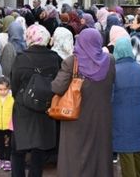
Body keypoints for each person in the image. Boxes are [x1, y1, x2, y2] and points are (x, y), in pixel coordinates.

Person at [52, 28, 115, 176]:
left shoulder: (71, 62)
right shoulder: (110, 61)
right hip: (101, 118)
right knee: (99, 154)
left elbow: (57, 87)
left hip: (76, 117)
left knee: (75, 155)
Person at [10, 24, 60, 177]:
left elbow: (14, 84)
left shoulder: (21, 58)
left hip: (23, 108)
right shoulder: (54, 57)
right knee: (39, 149)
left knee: (18, 150)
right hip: (45, 107)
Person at [112, 36, 140, 177]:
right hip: (139, 115)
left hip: (120, 117)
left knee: (126, 155)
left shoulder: (113, 71)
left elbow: (110, 96)